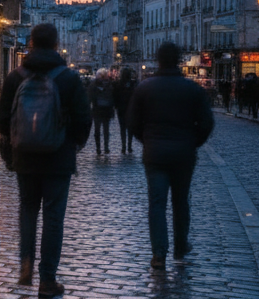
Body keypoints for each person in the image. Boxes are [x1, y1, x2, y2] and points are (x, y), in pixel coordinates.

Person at [0, 23, 92, 298]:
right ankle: (47, 279)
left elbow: (2, 120)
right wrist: (71, 144)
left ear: (31, 43)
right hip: (58, 157)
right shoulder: (69, 78)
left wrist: (17, 140)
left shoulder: (15, 76)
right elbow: (83, 120)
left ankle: (25, 263)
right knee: (53, 216)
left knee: (28, 209)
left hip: (24, 156)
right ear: (55, 44)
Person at [128, 42, 214, 269]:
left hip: (155, 153)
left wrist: (147, 140)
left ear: (157, 60)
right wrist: (192, 142)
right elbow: (206, 123)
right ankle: (180, 245)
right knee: (181, 201)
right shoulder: (192, 89)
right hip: (184, 153)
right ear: (178, 60)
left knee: (156, 203)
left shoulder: (145, 88)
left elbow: (133, 123)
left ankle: (158, 253)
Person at [89, 68, 116, 156]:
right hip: (106, 109)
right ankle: (105, 147)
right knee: (105, 130)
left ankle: (99, 148)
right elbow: (113, 97)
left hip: (97, 109)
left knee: (98, 130)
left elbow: (89, 96)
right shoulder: (110, 84)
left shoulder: (93, 85)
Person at [113, 67, 137, 152]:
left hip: (121, 108)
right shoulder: (133, 84)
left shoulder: (118, 84)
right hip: (130, 108)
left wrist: (116, 106)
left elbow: (115, 96)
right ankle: (129, 146)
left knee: (122, 128)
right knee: (130, 128)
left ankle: (123, 146)